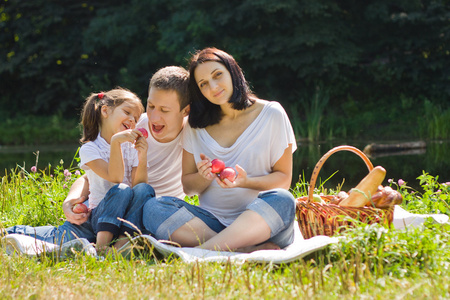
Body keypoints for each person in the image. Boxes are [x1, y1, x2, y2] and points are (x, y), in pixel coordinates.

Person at [5, 66, 190, 247]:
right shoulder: (131, 129)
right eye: (150, 106)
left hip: (144, 215)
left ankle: (116, 247)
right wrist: (71, 201)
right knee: (61, 237)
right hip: (105, 209)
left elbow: (139, 184)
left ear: (185, 111)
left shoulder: (195, 132)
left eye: (165, 110)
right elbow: (91, 177)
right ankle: (10, 231)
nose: (154, 116)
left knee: (140, 191)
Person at [142, 48, 297, 252]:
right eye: (203, 84)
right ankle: (241, 248)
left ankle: (204, 250)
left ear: (233, 71)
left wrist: (246, 182)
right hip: (211, 223)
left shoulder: (271, 114)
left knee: (283, 199)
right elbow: (189, 187)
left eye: (217, 75)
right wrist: (204, 176)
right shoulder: (196, 126)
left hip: (262, 223)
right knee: (153, 207)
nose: (213, 87)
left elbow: (284, 179)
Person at [77, 87, 148, 252]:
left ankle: (119, 248)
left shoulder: (130, 147)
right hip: (101, 217)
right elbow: (115, 177)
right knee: (121, 189)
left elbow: (139, 185)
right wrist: (116, 142)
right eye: (127, 112)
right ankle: (102, 248)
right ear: (105, 110)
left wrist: (142, 156)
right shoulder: (90, 149)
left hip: (127, 216)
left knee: (145, 189)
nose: (132, 119)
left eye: (136, 118)